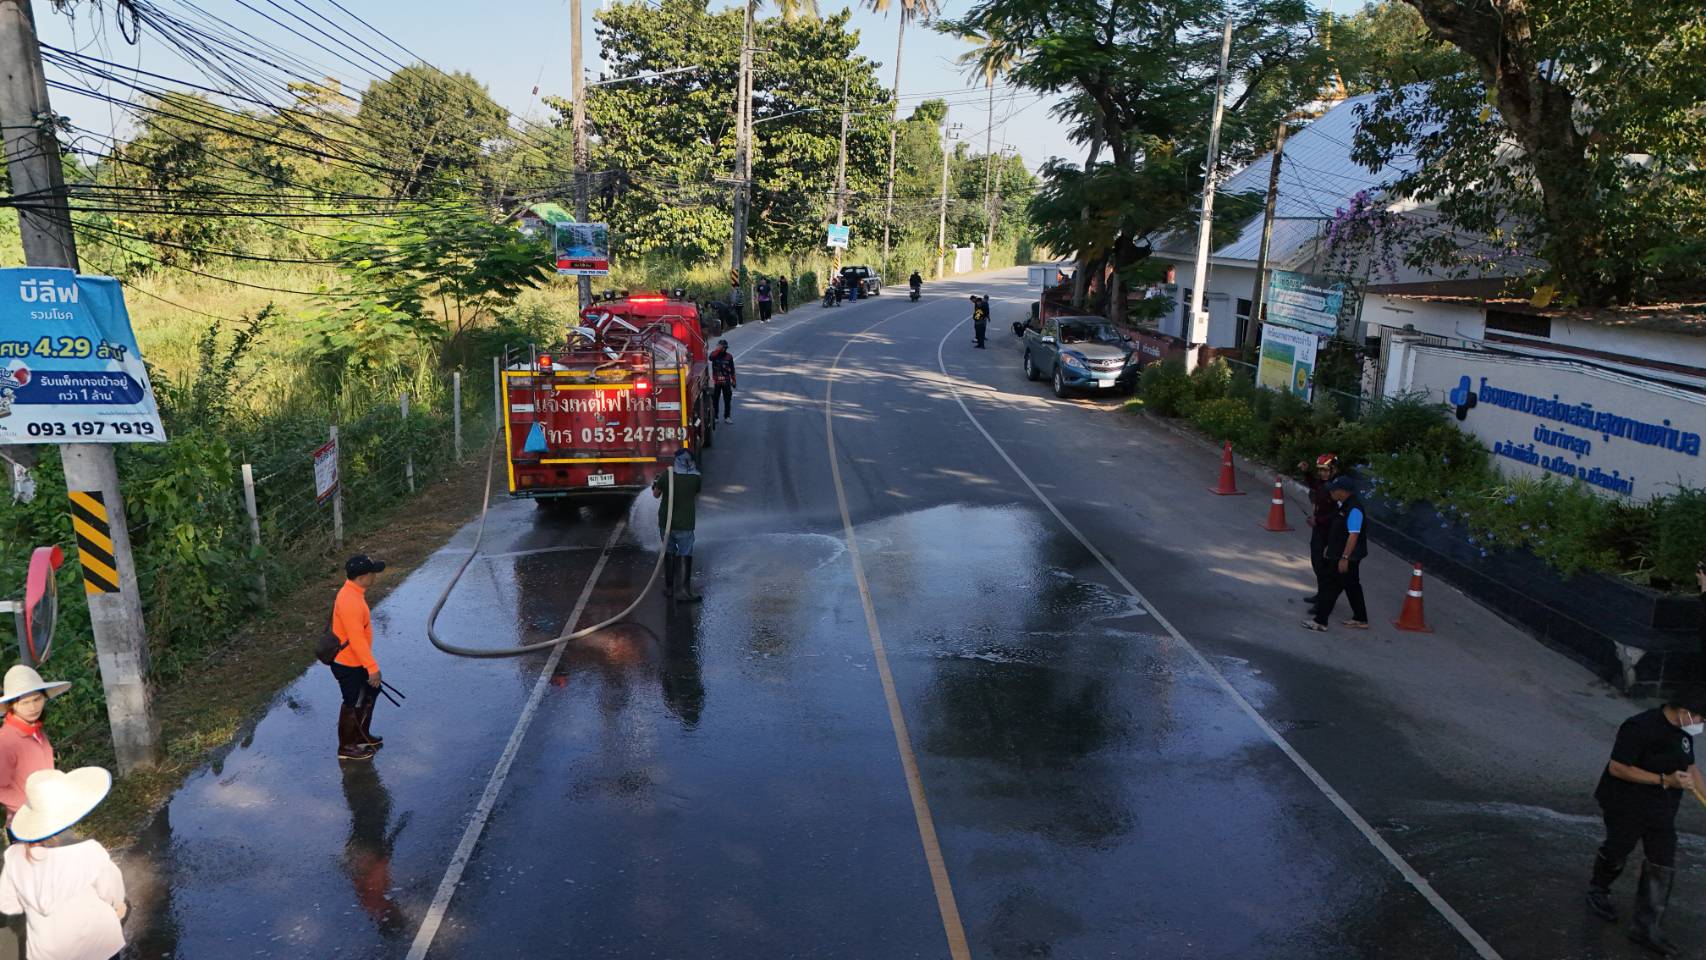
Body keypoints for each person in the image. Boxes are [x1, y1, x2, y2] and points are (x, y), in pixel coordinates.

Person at [1587, 688, 1706, 956]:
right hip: (1625, 804)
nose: (1702, 724)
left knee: (1662, 862)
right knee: (1618, 848)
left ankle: (1646, 927)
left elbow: (1691, 768)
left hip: (1661, 809)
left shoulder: (1684, 733)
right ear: (1685, 711)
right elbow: (1618, 767)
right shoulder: (1640, 727)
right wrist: (1665, 780)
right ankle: (1598, 888)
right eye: (1701, 718)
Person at [0, 766, 127, 960]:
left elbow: (7, 904)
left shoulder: (13, 857)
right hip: (98, 947)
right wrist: (118, 906)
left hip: (47, 952)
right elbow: (112, 892)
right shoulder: (89, 852)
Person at [332, 554, 387, 761]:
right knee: (352, 702)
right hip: (348, 663)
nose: (375, 576)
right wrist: (372, 668)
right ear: (363, 577)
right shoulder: (351, 602)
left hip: (356, 661)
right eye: (373, 573)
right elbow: (356, 639)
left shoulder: (353, 592)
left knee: (372, 692)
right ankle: (346, 747)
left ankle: (361, 736)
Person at [0, 666, 70, 826]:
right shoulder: (6, 740)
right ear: (11, 705)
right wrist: (32, 808)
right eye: (25, 703)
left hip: (50, 816)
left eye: (37, 699)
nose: (32, 708)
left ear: (45, 698)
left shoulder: (36, 731)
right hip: (26, 823)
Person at [1303, 476, 1368, 631]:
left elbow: (1353, 535)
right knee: (1352, 585)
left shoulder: (1354, 510)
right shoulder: (1344, 506)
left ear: (1343, 491)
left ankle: (1320, 621)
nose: (1331, 491)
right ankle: (1360, 618)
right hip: (1342, 554)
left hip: (1347, 557)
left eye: (1334, 488)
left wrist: (1344, 558)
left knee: (1330, 587)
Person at [652, 449, 703, 602]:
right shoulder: (696, 478)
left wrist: (656, 483)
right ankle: (684, 591)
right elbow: (695, 494)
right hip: (685, 524)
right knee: (685, 554)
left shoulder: (666, 476)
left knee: (669, 553)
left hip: (666, 524)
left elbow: (656, 494)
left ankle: (669, 589)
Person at [1299, 454, 1344, 611]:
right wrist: (1306, 472)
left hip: (1331, 532)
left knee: (1325, 567)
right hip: (1319, 529)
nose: (1323, 474)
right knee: (1317, 563)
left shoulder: (1338, 487)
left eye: (1326, 470)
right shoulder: (1323, 482)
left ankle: (1324, 602)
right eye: (1320, 470)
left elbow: (1338, 512)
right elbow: (1315, 485)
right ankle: (1321, 595)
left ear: (1334, 469)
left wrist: (1318, 520)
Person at [710, 339, 736, 425]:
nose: (719, 347)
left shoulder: (729, 357)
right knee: (715, 400)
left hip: (726, 382)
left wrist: (734, 380)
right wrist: (717, 350)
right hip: (716, 382)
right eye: (718, 346)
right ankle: (715, 417)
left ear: (725, 348)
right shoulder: (714, 355)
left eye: (721, 347)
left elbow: (732, 370)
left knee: (727, 400)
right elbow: (710, 358)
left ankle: (727, 417)